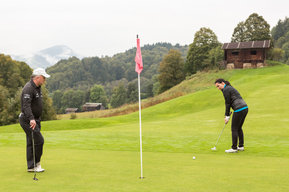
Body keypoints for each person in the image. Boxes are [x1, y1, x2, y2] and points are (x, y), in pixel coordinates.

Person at [19, 68, 50, 172]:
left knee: (30, 142)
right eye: (43, 78)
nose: (44, 80)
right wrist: (31, 119)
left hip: (35, 119)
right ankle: (37, 164)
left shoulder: (38, 87)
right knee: (39, 141)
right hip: (27, 119)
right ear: (38, 77)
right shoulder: (28, 88)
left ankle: (31, 166)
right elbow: (26, 106)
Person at [215, 78, 248, 153]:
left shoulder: (226, 89)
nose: (218, 88)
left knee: (234, 128)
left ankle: (234, 148)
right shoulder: (230, 88)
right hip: (245, 108)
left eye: (218, 86)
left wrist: (227, 116)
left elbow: (228, 103)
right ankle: (241, 146)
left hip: (239, 109)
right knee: (239, 128)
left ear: (223, 83)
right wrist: (228, 114)